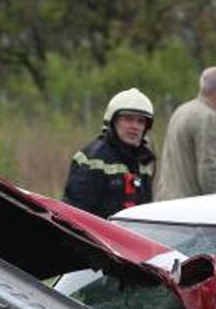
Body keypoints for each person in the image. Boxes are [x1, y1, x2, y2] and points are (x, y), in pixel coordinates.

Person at [63, 88, 156, 217]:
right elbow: (76, 215)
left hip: (133, 234)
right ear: (112, 121)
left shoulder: (143, 161)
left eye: (141, 121)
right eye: (128, 119)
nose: (135, 126)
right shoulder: (92, 159)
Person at [154, 66, 216, 200]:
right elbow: (208, 167)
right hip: (188, 204)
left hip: (165, 199)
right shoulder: (207, 117)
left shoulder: (181, 110)